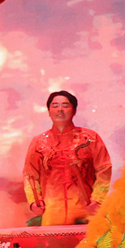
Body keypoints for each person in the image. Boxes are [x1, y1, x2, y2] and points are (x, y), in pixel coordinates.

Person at [22, 89, 112, 226]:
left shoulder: (90, 139)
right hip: (51, 211)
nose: (60, 109)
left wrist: (97, 199)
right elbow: (30, 175)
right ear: (49, 111)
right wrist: (34, 201)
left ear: (74, 110)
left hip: (85, 209)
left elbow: (104, 168)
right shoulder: (39, 142)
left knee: (86, 240)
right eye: (55, 106)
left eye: (65, 105)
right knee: (53, 240)